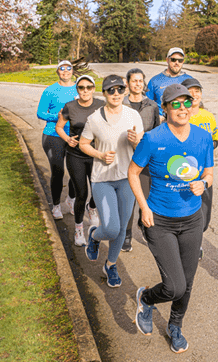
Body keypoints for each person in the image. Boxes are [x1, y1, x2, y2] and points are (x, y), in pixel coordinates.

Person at [129, 84, 214, 354]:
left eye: (186, 103)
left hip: (191, 220)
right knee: (174, 285)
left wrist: (204, 182)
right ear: (164, 108)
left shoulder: (202, 137)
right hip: (160, 221)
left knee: (187, 284)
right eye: (174, 104)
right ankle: (147, 297)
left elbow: (209, 172)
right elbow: (133, 173)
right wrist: (143, 207)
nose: (182, 109)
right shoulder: (153, 139)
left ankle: (175, 325)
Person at [79, 75, 145, 288]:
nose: (116, 94)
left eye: (119, 90)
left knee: (123, 227)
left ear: (125, 91)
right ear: (104, 93)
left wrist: (137, 142)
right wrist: (98, 155)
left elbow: (142, 150)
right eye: (111, 90)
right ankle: (95, 235)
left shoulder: (133, 115)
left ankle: (110, 265)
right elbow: (83, 144)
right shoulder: (94, 119)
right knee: (111, 228)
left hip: (127, 179)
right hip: (103, 180)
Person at [56, 75, 104, 245]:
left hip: (95, 155)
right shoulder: (70, 107)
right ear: (77, 89)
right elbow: (59, 127)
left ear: (93, 88)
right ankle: (78, 230)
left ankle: (91, 209)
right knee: (81, 193)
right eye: (81, 87)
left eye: (88, 87)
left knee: (98, 191)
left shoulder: (101, 105)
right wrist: (67, 139)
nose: (85, 91)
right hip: (75, 155)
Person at [121, 67, 160, 252]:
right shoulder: (120, 104)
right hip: (124, 158)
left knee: (145, 197)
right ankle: (126, 235)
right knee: (128, 200)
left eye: (140, 81)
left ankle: (143, 226)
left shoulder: (152, 105)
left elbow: (156, 132)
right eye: (133, 80)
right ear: (127, 83)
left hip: (145, 160)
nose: (137, 84)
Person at [181, 77, 218, 259]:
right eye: (190, 91)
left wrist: (212, 144)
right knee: (185, 211)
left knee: (205, 216)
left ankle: (195, 241)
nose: (194, 94)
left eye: (198, 90)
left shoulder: (208, 116)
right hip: (183, 173)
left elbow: (216, 137)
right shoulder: (179, 115)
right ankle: (191, 246)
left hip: (204, 172)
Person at [36, 60, 78, 219]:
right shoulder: (50, 91)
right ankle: (56, 205)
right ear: (57, 71)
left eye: (69, 68)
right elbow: (40, 113)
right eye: (62, 68)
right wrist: (58, 116)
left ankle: (71, 200)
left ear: (73, 71)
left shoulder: (78, 88)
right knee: (58, 171)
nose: (66, 71)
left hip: (74, 135)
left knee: (76, 171)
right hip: (53, 135)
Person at [146, 47, 193, 117]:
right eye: (173, 60)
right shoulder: (155, 81)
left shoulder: (190, 80)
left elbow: (195, 103)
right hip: (162, 122)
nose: (177, 63)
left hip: (183, 120)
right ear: (167, 60)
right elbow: (147, 105)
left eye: (180, 60)